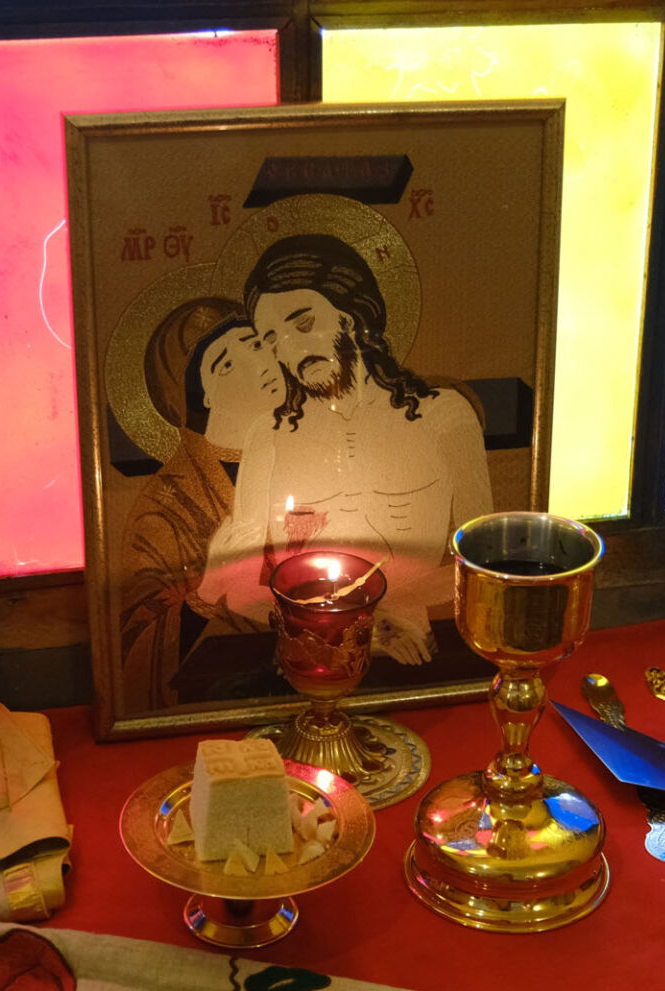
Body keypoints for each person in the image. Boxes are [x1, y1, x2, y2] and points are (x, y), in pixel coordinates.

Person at [195, 234, 494, 665]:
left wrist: (392, 614)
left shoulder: (442, 418)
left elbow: (481, 566)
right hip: (309, 653)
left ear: (351, 317)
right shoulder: (270, 436)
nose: (291, 349)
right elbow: (236, 582)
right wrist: (358, 623)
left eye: (303, 324)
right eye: (273, 340)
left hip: (417, 651)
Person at [114, 297, 283, 707]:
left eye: (257, 344)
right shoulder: (165, 509)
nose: (258, 363)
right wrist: (206, 593)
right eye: (227, 363)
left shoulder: (313, 455)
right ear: (200, 396)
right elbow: (133, 653)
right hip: (221, 697)